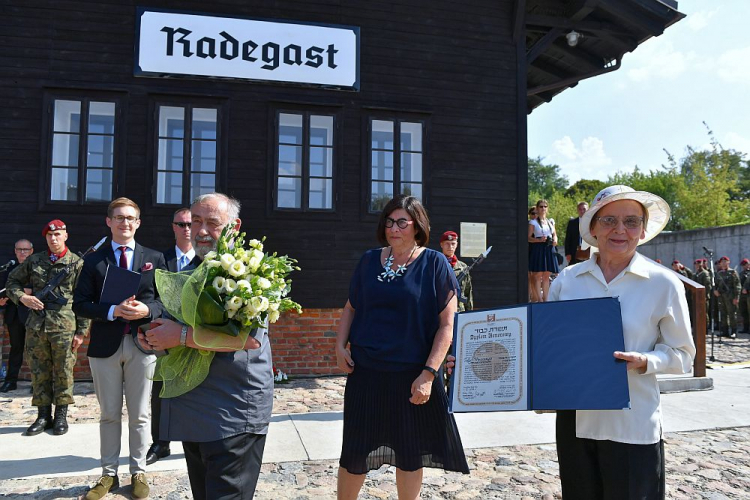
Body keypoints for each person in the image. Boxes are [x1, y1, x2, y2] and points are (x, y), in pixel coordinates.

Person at [548, 185, 695, 499]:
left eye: (631, 221)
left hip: (633, 422)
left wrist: (645, 361)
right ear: (593, 227)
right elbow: (548, 347)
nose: (620, 230)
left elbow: (683, 355)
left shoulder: (663, 283)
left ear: (642, 231)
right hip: (575, 421)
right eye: (609, 220)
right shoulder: (567, 280)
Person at [335, 195, 469, 500]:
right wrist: (339, 345)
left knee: (410, 454)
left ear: (417, 225)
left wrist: (428, 373)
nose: (393, 227)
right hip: (366, 373)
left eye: (401, 222)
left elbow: (447, 326)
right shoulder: (369, 260)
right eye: (389, 221)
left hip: (412, 376)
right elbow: (351, 307)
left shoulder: (435, 264)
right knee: (354, 452)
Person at [141, 193, 272, 500]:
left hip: (233, 412)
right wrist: (151, 338)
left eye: (212, 223)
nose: (200, 230)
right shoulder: (187, 273)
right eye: (196, 221)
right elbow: (172, 331)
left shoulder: (253, 274)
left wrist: (181, 336)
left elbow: (249, 339)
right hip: (193, 409)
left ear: (234, 226)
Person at [73, 198, 166, 500]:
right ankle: (108, 475)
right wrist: (112, 310)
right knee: (109, 414)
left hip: (142, 344)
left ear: (138, 223)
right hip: (105, 346)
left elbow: (163, 303)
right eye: (119, 218)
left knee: (140, 414)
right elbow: (80, 305)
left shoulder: (154, 257)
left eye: (131, 218)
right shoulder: (93, 261)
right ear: (109, 222)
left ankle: (138, 471)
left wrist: (145, 312)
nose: (125, 223)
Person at [6, 221, 90, 436]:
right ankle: (43, 416)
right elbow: (12, 282)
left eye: (58, 234)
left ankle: (61, 416)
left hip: (65, 326)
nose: (54, 239)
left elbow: (83, 299)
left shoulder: (77, 263)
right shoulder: (35, 261)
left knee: (63, 371)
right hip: (37, 325)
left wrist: (81, 332)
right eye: (49, 236)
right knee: (38, 371)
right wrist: (23, 298)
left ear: (66, 236)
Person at [146, 207, 194, 466]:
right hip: (165, 334)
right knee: (161, 390)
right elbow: (152, 296)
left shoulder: (209, 261)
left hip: (197, 337)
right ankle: (161, 443)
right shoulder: (159, 260)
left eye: (190, 224)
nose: (186, 229)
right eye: (181, 224)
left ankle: (195, 440)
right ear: (173, 227)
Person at [0, 239, 33, 392]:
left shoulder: (35, 268)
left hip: (32, 314)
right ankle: (11, 380)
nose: (22, 253)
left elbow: (30, 290)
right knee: (16, 348)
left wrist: (13, 292)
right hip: (14, 314)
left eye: (25, 250)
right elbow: (4, 289)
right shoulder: (9, 269)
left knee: (35, 349)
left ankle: (38, 383)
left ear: (31, 251)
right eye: (19, 249)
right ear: (15, 251)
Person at [528, 199, 559, 302]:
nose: (543, 209)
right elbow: (528, 238)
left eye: (545, 206)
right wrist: (538, 240)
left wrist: (555, 240)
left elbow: (554, 234)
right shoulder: (533, 222)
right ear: (537, 208)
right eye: (541, 206)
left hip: (549, 248)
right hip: (538, 247)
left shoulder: (550, 222)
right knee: (537, 275)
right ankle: (539, 300)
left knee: (546, 275)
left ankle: (546, 299)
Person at [439, 230, 473, 311]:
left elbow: (468, 292)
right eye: (447, 243)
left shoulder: (463, 267)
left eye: (453, 244)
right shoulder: (436, 265)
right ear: (441, 245)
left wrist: (470, 313)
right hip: (441, 310)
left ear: (457, 245)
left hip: (459, 311)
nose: (450, 247)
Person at [713, 256, 740, 338]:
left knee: (732, 314)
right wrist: (715, 290)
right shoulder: (719, 273)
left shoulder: (733, 272)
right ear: (720, 263)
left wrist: (737, 297)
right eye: (722, 262)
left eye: (725, 261)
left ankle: (733, 331)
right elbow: (715, 284)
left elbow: (737, 286)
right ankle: (725, 331)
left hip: (730, 297)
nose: (723, 263)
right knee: (723, 314)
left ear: (728, 262)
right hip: (721, 297)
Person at [563, 201, 590, 266]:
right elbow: (568, 239)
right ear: (577, 210)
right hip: (574, 252)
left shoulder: (592, 223)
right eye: (580, 209)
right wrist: (567, 253)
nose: (582, 211)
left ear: (588, 210)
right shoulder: (572, 223)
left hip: (588, 251)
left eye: (584, 209)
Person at [739, 258, 750, 334]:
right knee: (744, 312)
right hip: (742, 296)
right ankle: (745, 328)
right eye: (743, 265)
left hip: (748, 294)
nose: (744, 266)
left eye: (745, 264)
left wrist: (747, 290)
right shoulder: (741, 273)